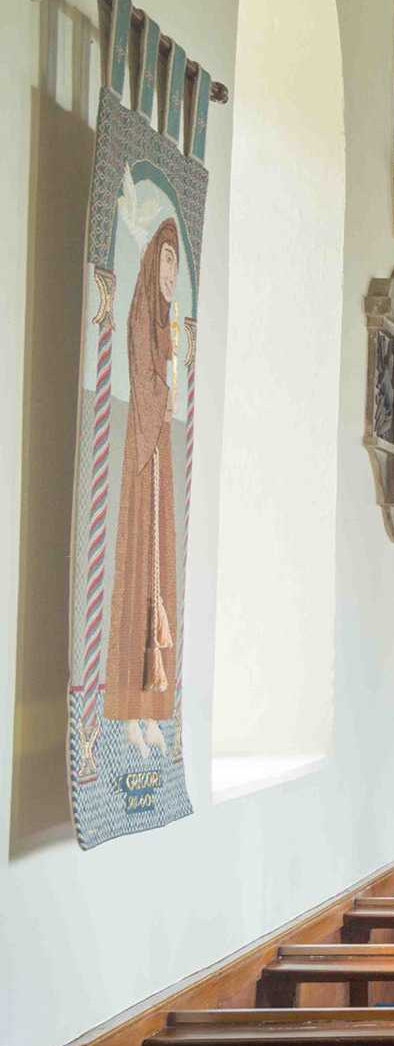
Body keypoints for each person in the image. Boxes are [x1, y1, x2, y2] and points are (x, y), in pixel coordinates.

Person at [104, 216, 183, 759]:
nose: (173, 272)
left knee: (162, 574)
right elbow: (142, 378)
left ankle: (154, 712)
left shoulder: (168, 321)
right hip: (142, 452)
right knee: (138, 574)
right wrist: (164, 394)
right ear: (153, 260)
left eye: (179, 262)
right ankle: (128, 713)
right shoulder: (139, 316)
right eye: (168, 260)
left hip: (160, 457)